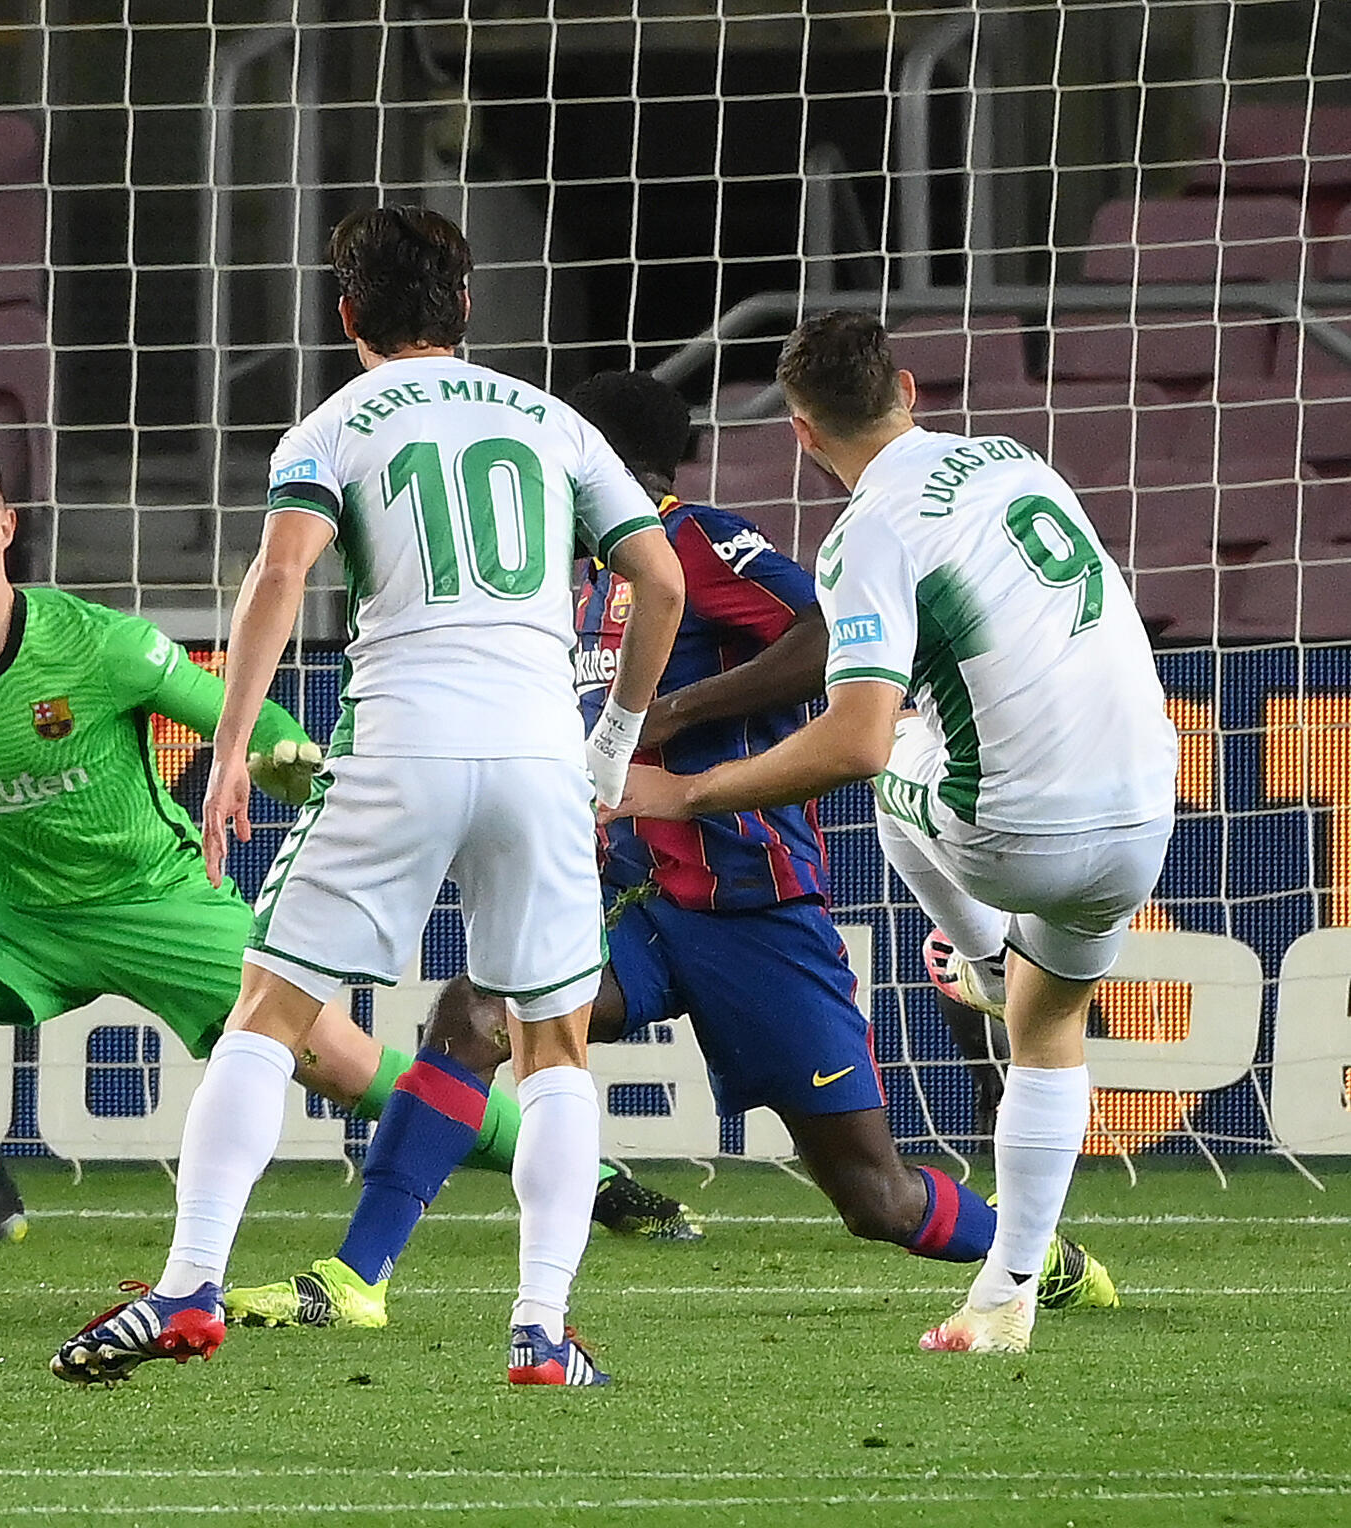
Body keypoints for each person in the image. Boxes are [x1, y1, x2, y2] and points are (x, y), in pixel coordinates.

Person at [225, 370, 1115, 1331]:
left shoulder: (701, 542)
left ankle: (1032, 1256)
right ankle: (357, 1278)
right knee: (475, 1016)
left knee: (876, 1198)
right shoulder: (565, 573)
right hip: (635, 896)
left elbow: (827, 635)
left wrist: (662, 716)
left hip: (752, 902)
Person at [0, 442, 697, 1247]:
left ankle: (588, 1174)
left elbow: (238, 715)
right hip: (12, 912)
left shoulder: (96, 643)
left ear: (6, 529)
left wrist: (282, 755)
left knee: (349, 1067)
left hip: (156, 904)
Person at [49, 206, 686, 1388]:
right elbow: (660, 582)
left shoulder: (334, 423)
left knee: (269, 1011)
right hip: (542, 752)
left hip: (401, 740)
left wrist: (232, 741)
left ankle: (190, 1286)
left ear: (347, 318)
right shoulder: (556, 422)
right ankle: (541, 1329)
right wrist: (614, 741)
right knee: (550, 1047)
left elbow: (280, 571)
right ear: (470, 308)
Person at [617, 311, 1175, 1354]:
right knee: (1049, 1030)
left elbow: (858, 741)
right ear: (908, 389)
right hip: (1146, 810)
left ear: (799, 432)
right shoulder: (1013, 457)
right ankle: (1006, 1292)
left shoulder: (869, 530)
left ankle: (973, 958)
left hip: (1018, 830)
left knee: (891, 757)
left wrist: (688, 792)